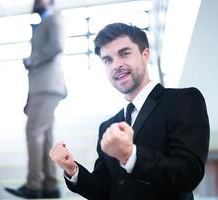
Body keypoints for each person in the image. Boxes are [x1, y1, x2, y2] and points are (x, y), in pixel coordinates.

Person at [49, 23, 210, 200]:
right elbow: (103, 191)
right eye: (107, 60)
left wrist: (130, 156)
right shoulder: (108, 127)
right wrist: (72, 169)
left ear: (145, 55)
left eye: (124, 53)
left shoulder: (183, 100)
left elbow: (188, 174)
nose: (116, 65)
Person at [4, 0, 66, 199]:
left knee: (34, 132)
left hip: (47, 86)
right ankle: (50, 185)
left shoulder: (55, 17)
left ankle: (33, 185)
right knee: (45, 136)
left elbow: (57, 45)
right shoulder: (44, 20)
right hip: (43, 87)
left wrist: (32, 59)